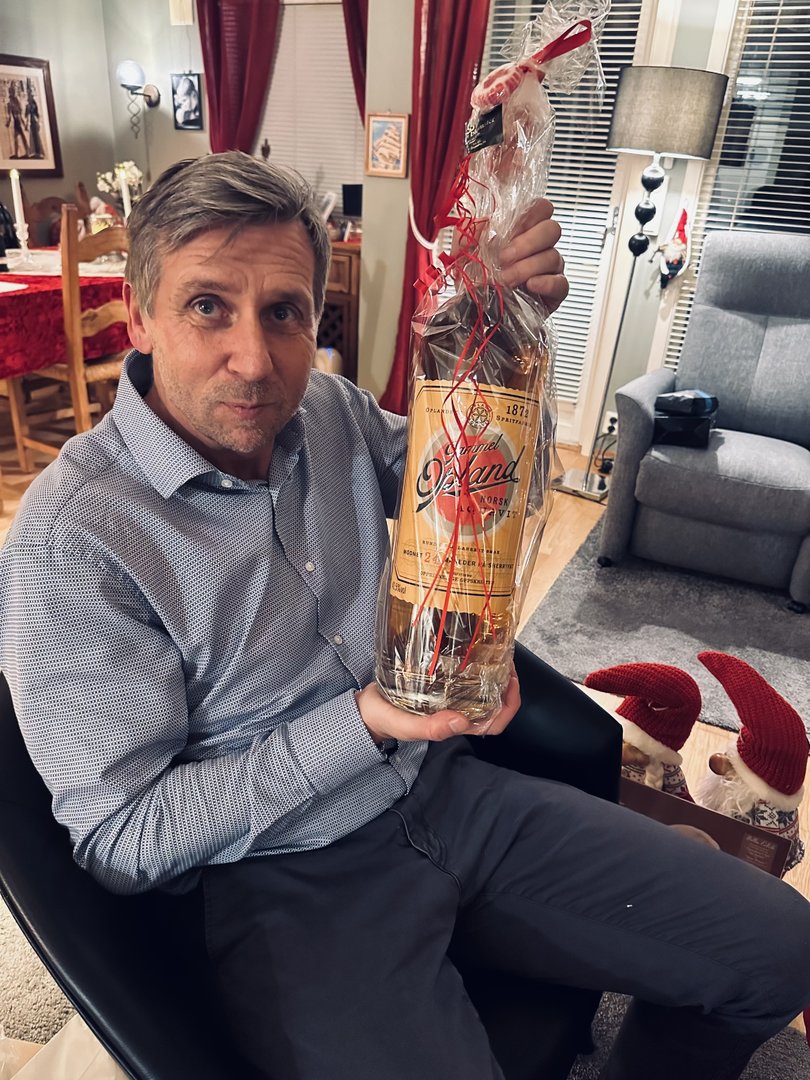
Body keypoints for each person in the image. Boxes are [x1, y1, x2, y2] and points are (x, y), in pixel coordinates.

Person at [1, 151, 808, 1080]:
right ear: (138, 315)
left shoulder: (329, 410)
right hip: (283, 878)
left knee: (780, 951)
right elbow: (124, 840)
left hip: (449, 794)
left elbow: (494, 491)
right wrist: (364, 724)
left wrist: (500, 339)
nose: (254, 360)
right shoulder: (75, 540)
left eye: (284, 312)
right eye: (208, 306)